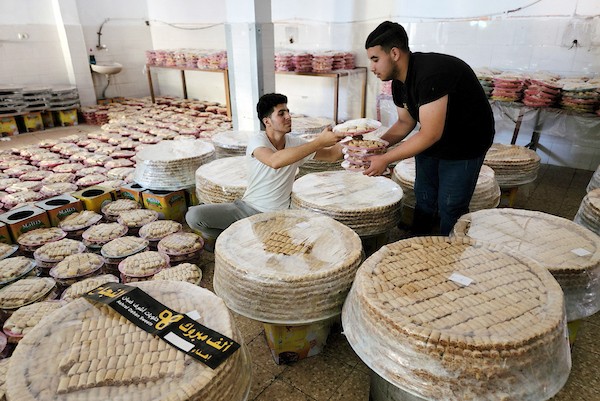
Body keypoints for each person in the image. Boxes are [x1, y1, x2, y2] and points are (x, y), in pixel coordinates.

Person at [363, 21, 495, 236]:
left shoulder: (431, 73)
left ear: (394, 53)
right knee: (424, 196)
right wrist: (377, 146)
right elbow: (406, 122)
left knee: (451, 205)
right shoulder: (398, 82)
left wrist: (386, 159)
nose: (372, 67)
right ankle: (419, 242)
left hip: (466, 142)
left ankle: (448, 254)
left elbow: (430, 134)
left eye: (375, 59)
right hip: (434, 138)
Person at [186, 93, 345, 250]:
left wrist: (349, 136)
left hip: (281, 216)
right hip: (248, 209)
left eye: (288, 112)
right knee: (194, 216)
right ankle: (228, 240)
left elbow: (333, 155)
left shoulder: (296, 144)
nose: (288, 117)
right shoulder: (258, 141)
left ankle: (249, 239)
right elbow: (274, 161)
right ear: (267, 121)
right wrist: (318, 142)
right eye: (281, 113)